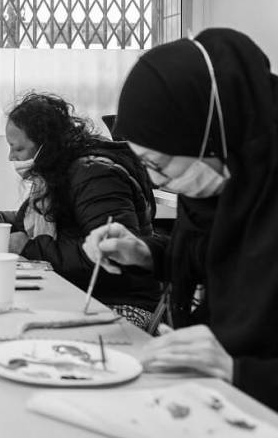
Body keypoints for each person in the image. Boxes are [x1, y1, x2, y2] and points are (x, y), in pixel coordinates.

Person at [83, 28, 278, 410]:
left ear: (210, 136)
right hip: (214, 400)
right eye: (144, 164)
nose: (155, 180)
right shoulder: (226, 180)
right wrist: (144, 254)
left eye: (160, 164)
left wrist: (239, 371)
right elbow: (214, 261)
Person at [0, 93, 161, 328]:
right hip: (78, 291)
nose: (11, 157)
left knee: (6, 327)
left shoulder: (96, 175)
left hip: (118, 302)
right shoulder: (58, 174)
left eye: (17, 148)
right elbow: (23, 222)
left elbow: (107, 256)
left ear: (46, 145)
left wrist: (31, 247)